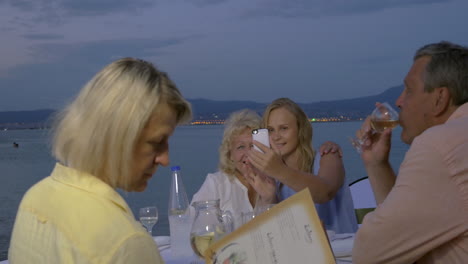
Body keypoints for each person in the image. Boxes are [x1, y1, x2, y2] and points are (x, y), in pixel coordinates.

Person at [8, 58, 192, 263]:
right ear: (116, 137)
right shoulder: (126, 242)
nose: (165, 159)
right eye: (157, 142)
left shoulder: (34, 198)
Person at [352, 41, 468, 263]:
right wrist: (377, 164)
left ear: (439, 99)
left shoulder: (440, 145)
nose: (399, 101)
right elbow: (401, 233)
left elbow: (370, 253)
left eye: (409, 90)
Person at [249, 98, 358, 233]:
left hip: (342, 251)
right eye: (270, 130)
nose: (276, 137)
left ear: (301, 129)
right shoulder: (274, 179)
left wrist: (279, 170)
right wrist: (269, 198)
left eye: (284, 128)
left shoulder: (328, 156)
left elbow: (325, 193)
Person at [191, 109, 277, 228]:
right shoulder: (216, 184)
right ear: (230, 154)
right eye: (241, 147)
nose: (248, 153)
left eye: (253, 146)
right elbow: (191, 226)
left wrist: (269, 199)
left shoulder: (273, 182)